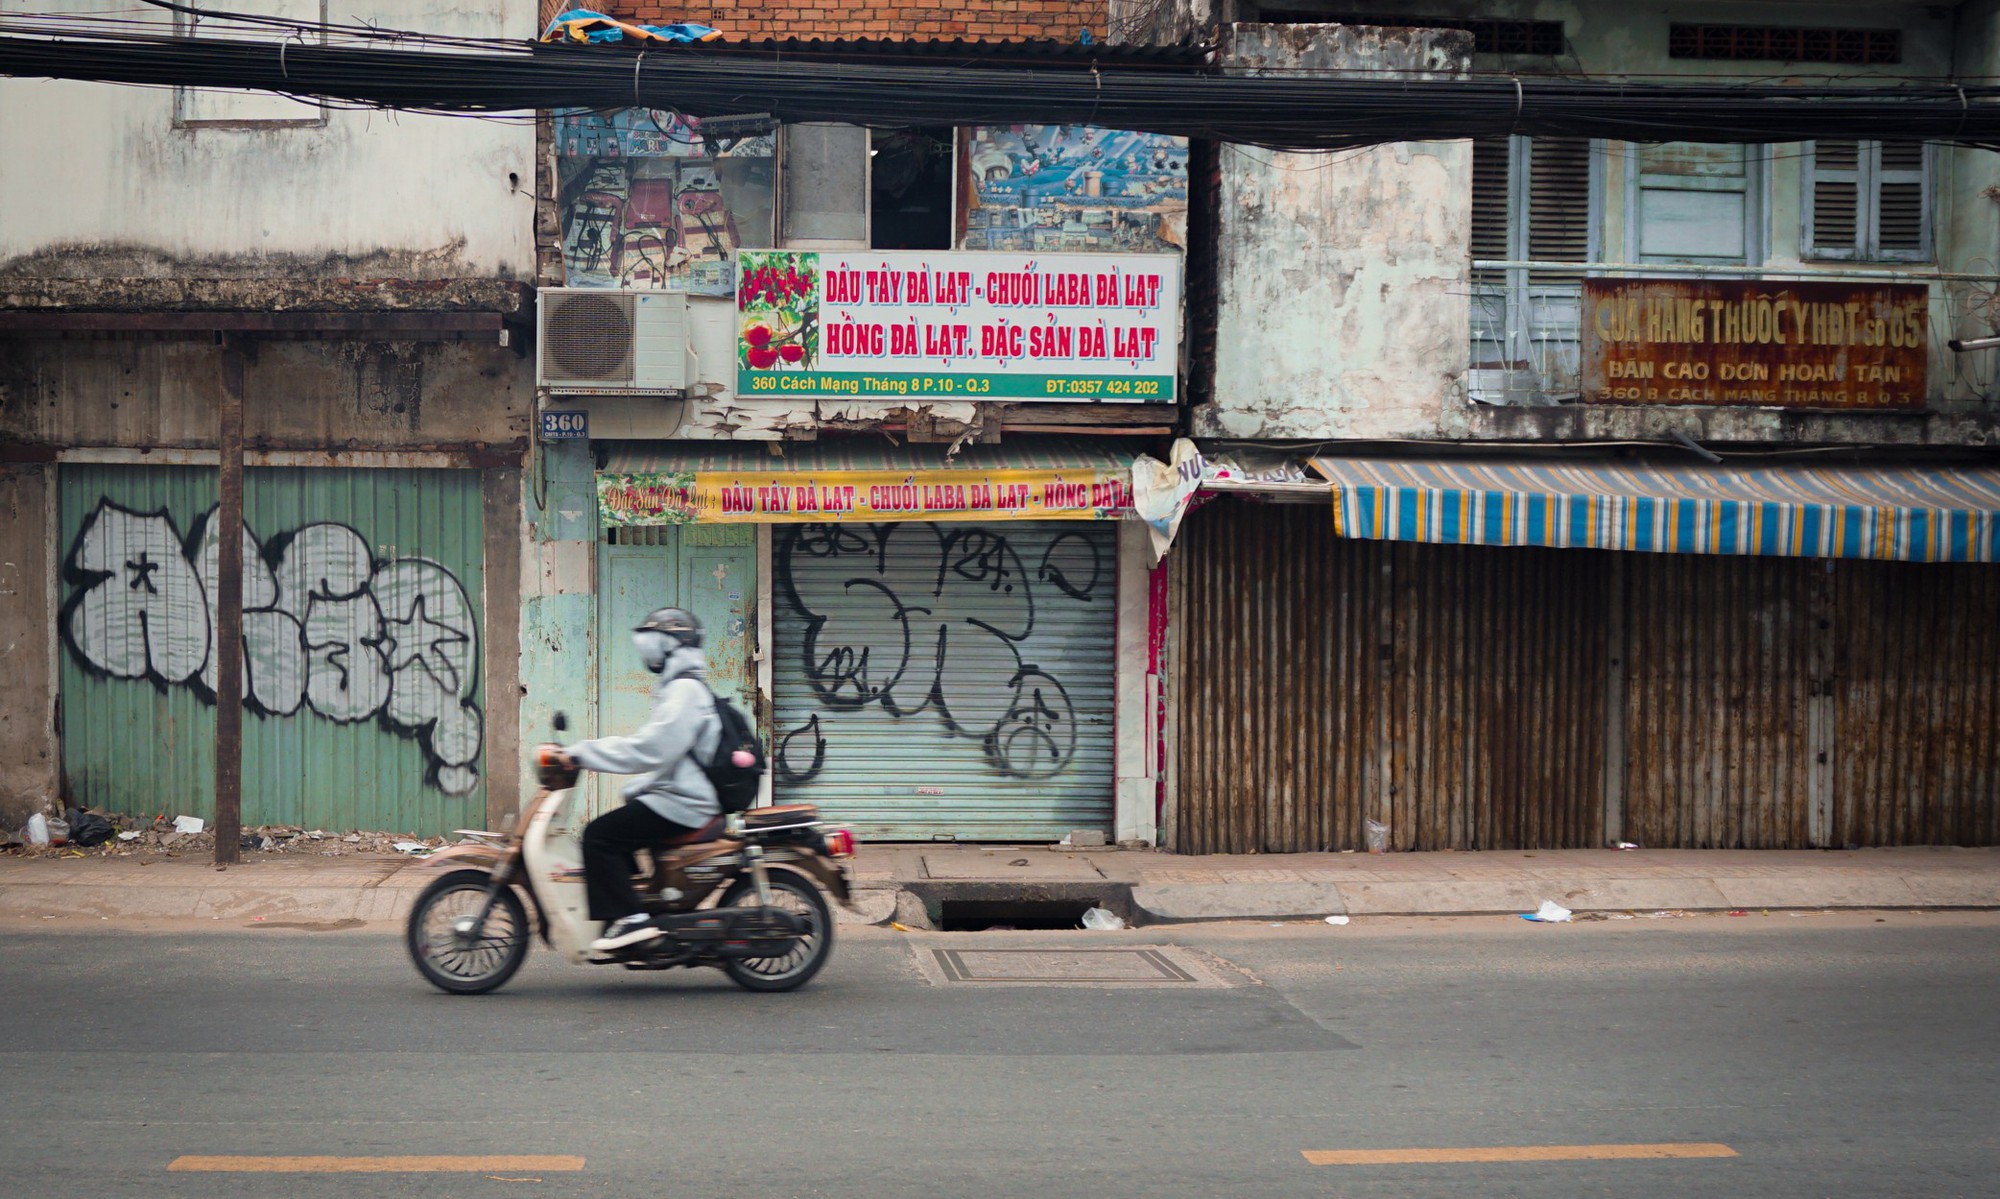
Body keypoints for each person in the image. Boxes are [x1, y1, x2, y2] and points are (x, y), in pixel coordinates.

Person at [557, 607, 721, 955]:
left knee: (599, 836)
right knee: (621, 831)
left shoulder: (685, 691)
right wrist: (637, 788)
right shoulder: (679, 687)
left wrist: (582, 753)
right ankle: (636, 911)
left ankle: (632, 920)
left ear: (670, 646)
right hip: (679, 797)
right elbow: (667, 755)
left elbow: (652, 749)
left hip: (685, 803)